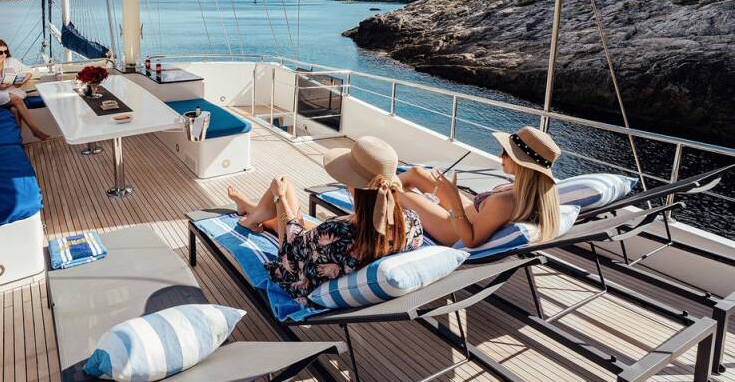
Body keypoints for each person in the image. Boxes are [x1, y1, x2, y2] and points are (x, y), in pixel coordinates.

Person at [226, 136, 424, 306]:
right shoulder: (412, 222)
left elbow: (290, 249)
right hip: (341, 256)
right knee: (305, 224)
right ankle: (250, 210)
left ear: (353, 187)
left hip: (303, 281)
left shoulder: (337, 233)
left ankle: (250, 219)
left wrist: (280, 198)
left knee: (283, 185)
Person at [397, 126, 562, 247]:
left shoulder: (505, 202)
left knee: (394, 191)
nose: (500, 155)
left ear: (522, 163)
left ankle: (381, 206)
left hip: (453, 229)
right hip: (467, 213)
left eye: (506, 152)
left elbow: (470, 241)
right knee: (416, 172)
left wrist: (453, 197)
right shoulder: (526, 192)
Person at [0, 39, 50, 141]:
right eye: (0, 52)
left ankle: (18, 139)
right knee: (16, 99)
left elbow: (29, 71)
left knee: (14, 110)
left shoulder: (12, 61)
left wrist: (22, 81)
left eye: (5, 52)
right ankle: (35, 130)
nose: (3, 55)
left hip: (11, 91)